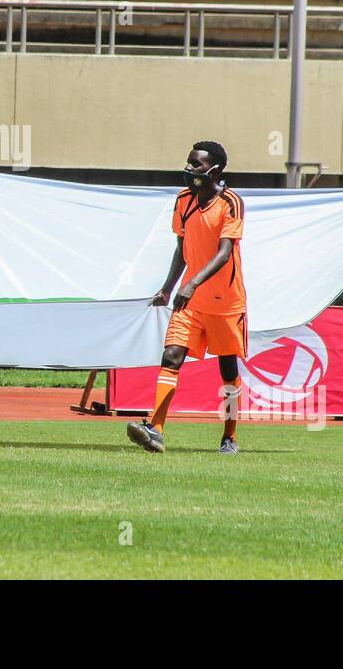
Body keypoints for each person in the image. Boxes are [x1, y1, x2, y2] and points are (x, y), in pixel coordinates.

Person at [126, 140, 247, 455]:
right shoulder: (183, 200)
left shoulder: (231, 202)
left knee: (228, 371)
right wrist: (168, 287)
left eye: (197, 164)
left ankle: (229, 437)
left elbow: (225, 252)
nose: (190, 168)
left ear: (215, 170)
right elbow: (181, 249)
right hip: (189, 300)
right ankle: (156, 429)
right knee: (171, 357)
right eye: (189, 162)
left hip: (225, 302)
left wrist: (191, 283)